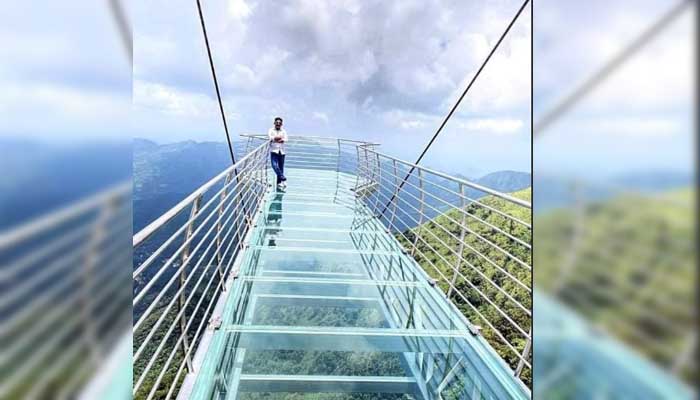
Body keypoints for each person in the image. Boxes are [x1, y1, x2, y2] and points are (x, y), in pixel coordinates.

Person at [268, 117, 288, 190]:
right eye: (277, 123)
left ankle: (279, 183)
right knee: (274, 165)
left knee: (281, 167)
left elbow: (285, 139)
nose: (278, 124)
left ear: (281, 124)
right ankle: (282, 177)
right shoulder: (271, 130)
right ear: (274, 123)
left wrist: (277, 138)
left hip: (282, 151)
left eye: (279, 123)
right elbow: (271, 138)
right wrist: (277, 138)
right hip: (274, 150)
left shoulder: (283, 131)